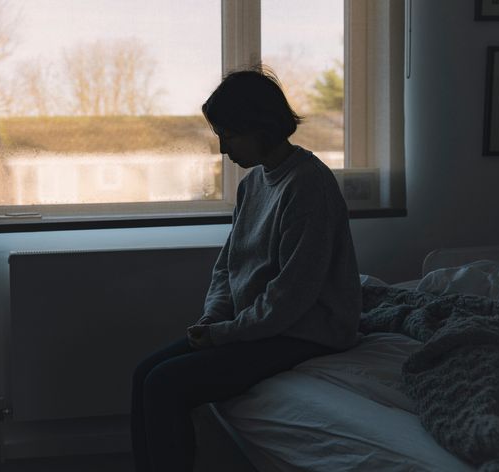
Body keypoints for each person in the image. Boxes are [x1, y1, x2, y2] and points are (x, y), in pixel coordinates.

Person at [131, 67, 362, 472]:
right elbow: (228, 265)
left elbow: (291, 297)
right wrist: (213, 318)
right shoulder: (252, 184)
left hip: (307, 331)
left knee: (165, 384)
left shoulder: (309, 185)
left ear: (261, 126)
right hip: (258, 326)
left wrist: (224, 335)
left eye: (229, 135)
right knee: (144, 374)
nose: (223, 150)